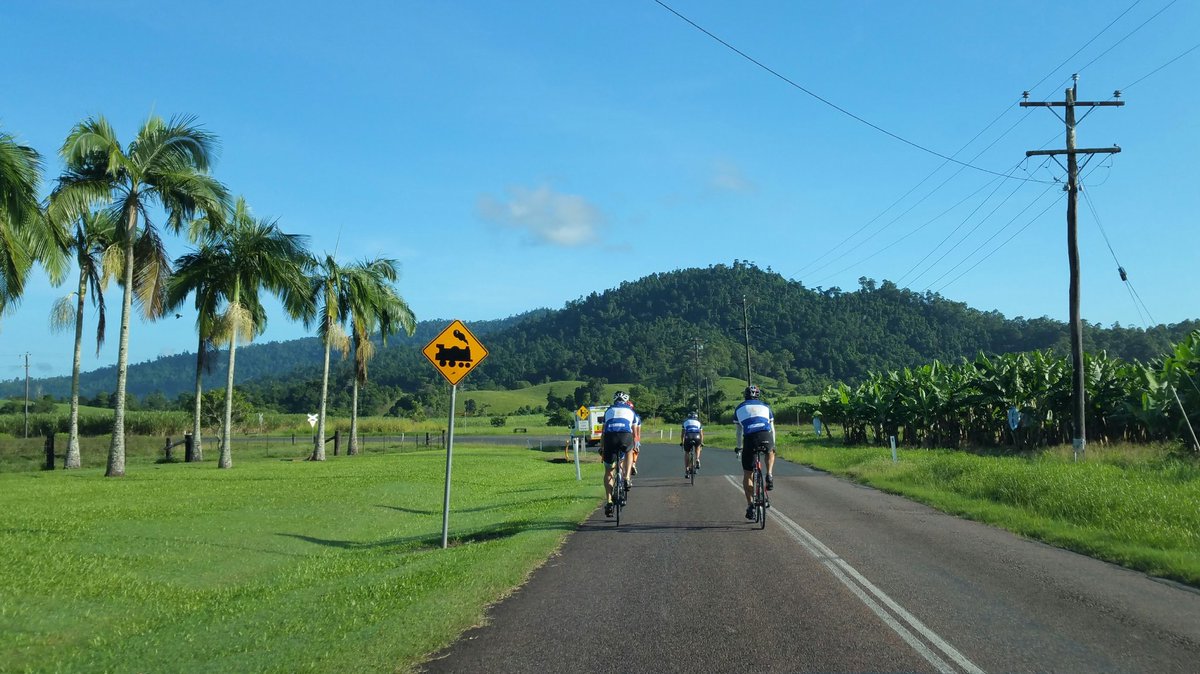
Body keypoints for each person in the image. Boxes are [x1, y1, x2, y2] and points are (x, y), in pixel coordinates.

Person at [734, 385, 775, 520]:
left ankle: (751, 504)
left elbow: (739, 432)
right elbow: (772, 429)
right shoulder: (766, 407)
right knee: (770, 452)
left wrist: (739, 447)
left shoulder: (739, 408)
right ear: (758, 395)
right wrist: (772, 446)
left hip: (750, 438)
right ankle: (769, 474)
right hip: (765, 435)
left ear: (745, 395)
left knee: (748, 474)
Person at [600, 390, 639, 517]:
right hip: (625, 436)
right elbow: (634, 434)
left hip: (610, 438)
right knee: (629, 451)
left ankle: (609, 502)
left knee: (608, 471)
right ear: (626, 401)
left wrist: (602, 447)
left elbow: (603, 432)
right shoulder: (631, 411)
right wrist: (636, 445)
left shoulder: (608, 411)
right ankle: (627, 478)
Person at [681, 411, 704, 477]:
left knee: (687, 452)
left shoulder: (685, 422)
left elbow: (683, 434)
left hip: (688, 436)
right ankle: (697, 459)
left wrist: (682, 442)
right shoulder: (698, 423)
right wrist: (701, 442)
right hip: (697, 436)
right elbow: (701, 434)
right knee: (698, 447)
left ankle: (687, 469)